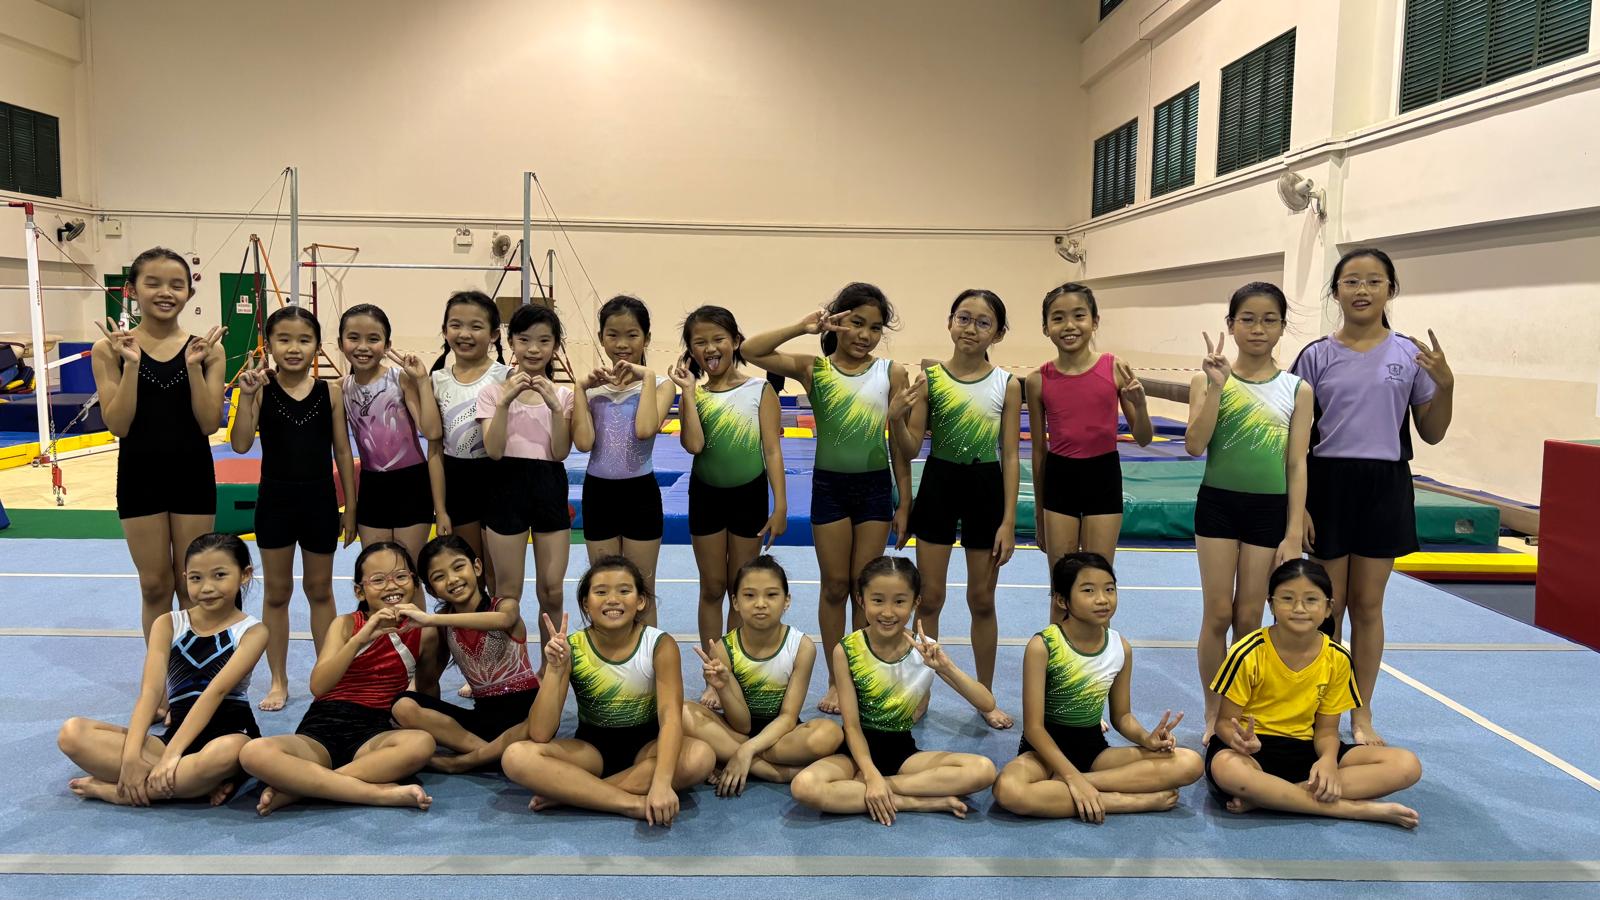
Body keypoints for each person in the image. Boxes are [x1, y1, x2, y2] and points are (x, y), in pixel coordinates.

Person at [1291, 248, 1453, 746]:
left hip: (1385, 484)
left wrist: (1446, 385)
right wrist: (1300, 506)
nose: (1362, 290)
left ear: (1390, 290)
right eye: (1351, 281)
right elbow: (1294, 439)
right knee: (1328, 606)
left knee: (1367, 606)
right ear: (1335, 292)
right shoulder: (1315, 356)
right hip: (1329, 484)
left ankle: (1360, 713)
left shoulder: (1410, 355)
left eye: (1374, 281)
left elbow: (1432, 432)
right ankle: (1319, 712)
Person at [742, 284, 914, 714]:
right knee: (835, 586)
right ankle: (839, 679)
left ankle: (861, 674)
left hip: (874, 488)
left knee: (863, 588)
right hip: (830, 488)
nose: (865, 335)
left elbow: (900, 448)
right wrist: (803, 327)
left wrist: (905, 501)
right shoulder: (813, 369)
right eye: (856, 323)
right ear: (837, 322)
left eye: (875, 328)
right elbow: (750, 350)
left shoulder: (892, 373)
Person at [91, 248, 227, 689]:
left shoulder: (208, 350)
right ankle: (161, 681)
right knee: (153, 585)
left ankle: (192, 678)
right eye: (153, 283)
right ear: (132, 290)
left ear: (189, 292)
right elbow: (118, 424)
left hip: (192, 474)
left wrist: (194, 368)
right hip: (140, 476)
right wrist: (131, 365)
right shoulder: (109, 350)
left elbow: (209, 423)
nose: (165, 292)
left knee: (192, 585)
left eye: (176, 284)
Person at [1186, 282, 1312, 742]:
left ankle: (1238, 711)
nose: (1258, 329)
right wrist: (1218, 388)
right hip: (1218, 505)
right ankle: (1212, 710)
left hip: (1267, 511)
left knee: (1249, 617)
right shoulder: (1206, 380)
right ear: (1231, 325)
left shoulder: (1296, 389)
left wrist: (1293, 532)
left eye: (1269, 320)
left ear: (1281, 327)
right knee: (1218, 613)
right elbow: (1195, 445)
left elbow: (1296, 465)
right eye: (1248, 319)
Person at [890, 289, 1021, 729]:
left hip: (986, 487)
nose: (971, 328)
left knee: (981, 599)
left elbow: (1010, 455)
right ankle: (920, 688)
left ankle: (984, 695)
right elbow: (910, 448)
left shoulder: (1007, 384)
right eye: (963, 318)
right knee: (931, 597)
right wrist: (896, 417)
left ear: (997, 334)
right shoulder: (930, 380)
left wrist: (1008, 520)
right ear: (949, 322)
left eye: (983, 322)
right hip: (940, 483)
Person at [1206, 560, 1422, 827]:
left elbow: (1327, 731)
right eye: (1287, 599)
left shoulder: (1337, 658)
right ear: (1271, 604)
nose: (1299, 608)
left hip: (1308, 750)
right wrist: (1238, 740)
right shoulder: (1248, 652)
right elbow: (1224, 723)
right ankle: (1352, 809)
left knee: (1406, 764)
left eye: (1311, 600)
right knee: (1228, 770)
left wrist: (1328, 761)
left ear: (1329, 608)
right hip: (1253, 751)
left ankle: (1269, 797)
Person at [501, 556, 716, 825]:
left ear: (641, 601)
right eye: (601, 592)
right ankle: (631, 803)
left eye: (624, 591)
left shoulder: (660, 645)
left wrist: (662, 782)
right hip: (591, 751)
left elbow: (671, 718)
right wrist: (555, 670)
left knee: (701, 756)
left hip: (648, 749)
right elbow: (540, 733)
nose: (613, 599)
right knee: (516, 757)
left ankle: (578, 793)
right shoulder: (572, 647)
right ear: (585, 603)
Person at [57, 533, 266, 806]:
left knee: (230, 751)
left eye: (219, 575)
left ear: (244, 575)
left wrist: (170, 757)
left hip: (228, 736)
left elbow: (214, 693)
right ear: (185, 578)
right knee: (72, 733)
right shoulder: (168, 624)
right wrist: (131, 757)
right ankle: (192, 785)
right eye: (196, 578)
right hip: (174, 736)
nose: (207, 587)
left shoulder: (252, 631)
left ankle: (118, 793)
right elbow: (150, 692)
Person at [992, 552, 1202, 821]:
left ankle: (1075, 786)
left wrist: (1146, 739)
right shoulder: (1043, 646)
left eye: (1109, 589)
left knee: (1190, 763)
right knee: (1008, 790)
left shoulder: (1120, 647)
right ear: (1062, 600)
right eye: (1088, 590)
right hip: (1043, 754)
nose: (1102, 599)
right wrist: (1070, 774)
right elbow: (1034, 728)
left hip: (1094, 752)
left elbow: (1122, 716)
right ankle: (1121, 801)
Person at [789, 557, 998, 825]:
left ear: (915, 602)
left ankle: (872, 790)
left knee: (983, 770)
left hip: (902, 753)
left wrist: (946, 668)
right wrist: (869, 772)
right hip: (854, 753)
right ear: (861, 600)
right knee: (804, 786)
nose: (888, 612)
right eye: (878, 600)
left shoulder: (925, 649)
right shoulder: (847, 650)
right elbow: (851, 726)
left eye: (899, 601)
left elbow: (987, 703)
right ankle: (915, 802)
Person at [238, 542, 439, 815]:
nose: (391, 586)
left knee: (422, 743)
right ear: (359, 590)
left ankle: (299, 789)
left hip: (374, 733)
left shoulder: (425, 632)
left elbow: (427, 689)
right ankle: (377, 793)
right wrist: (359, 639)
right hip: (323, 726)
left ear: (414, 582)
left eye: (401, 576)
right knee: (253, 752)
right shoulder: (345, 624)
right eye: (378, 580)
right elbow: (319, 686)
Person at [230, 305, 357, 711]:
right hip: (276, 502)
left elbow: (342, 452)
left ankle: (327, 675)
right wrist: (246, 396)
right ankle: (278, 680)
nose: (294, 348)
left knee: (320, 590)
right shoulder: (261, 389)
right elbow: (240, 444)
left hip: (320, 500)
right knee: (277, 593)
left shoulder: (330, 392)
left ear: (317, 346)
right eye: (284, 339)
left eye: (304, 340)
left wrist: (351, 506)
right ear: (269, 345)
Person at [672, 305, 786, 709]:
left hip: (748, 495)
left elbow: (772, 450)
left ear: (736, 342)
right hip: (706, 495)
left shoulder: (760, 390)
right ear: (690, 351)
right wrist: (687, 394)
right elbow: (694, 445)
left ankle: (732, 672)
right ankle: (713, 672)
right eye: (699, 342)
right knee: (711, 587)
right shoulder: (695, 393)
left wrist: (780, 504)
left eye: (718, 339)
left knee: (739, 589)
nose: (710, 348)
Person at [682, 555, 844, 794]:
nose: (760, 603)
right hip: (735, 730)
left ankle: (735, 757)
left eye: (771, 595)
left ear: (786, 601)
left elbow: (788, 717)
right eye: (749, 595)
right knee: (682, 711)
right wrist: (723, 686)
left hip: (782, 735)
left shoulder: (801, 647)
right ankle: (773, 772)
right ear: (735, 602)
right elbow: (742, 724)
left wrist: (746, 750)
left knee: (829, 734)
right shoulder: (724, 649)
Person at [1025, 283, 1150, 582]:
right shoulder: (1037, 380)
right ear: (1045, 327)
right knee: (1061, 582)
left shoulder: (1115, 368)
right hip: (1059, 478)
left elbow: (1144, 438)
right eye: (1058, 318)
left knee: (1097, 579)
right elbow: (1039, 451)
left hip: (1103, 476)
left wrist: (1141, 405)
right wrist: (1039, 514)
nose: (1069, 325)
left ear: (1094, 321)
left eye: (1079, 316)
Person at [391, 535, 539, 772]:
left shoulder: (504, 606)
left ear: (477, 567)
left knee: (540, 722)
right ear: (431, 590)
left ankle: (463, 762)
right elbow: (428, 682)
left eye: (458, 567)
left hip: (525, 718)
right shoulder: (443, 626)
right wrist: (425, 722)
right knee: (403, 705)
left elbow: (504, 620)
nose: (452, 579)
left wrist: (431, 619)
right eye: (439, 577)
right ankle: (495, 756)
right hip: (483, 723)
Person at [571, 295, 676, 615]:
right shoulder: (591, 388)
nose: (621, 344)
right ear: (601, 337)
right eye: (612, 335)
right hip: (599, 493)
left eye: (632, 335)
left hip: (640, 494)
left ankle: (647, 650)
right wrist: (579, 390)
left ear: (646, 338)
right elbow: (584, 443)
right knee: (603, 591)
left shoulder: (661, 385)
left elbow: (644, 429)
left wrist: (646, 377)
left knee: (642, 591)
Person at [478, 303, 575, 646]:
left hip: (549, 486)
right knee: (507, 592)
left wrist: (556, 408)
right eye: (524, 340)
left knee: (552, 589)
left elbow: (560, 452)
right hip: (505, 486)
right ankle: (507, 668)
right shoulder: (492, 392)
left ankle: (552, 665)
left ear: (555, 346)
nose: (534, 349)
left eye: (544, 341)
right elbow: (494, 450)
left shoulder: (563, 395)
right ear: (511, 342)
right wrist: (505, 402)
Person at [340, 303, 442, 564]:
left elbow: (431, 431)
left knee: (409, 569)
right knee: (378, 569)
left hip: (412, 484)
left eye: (373, 339)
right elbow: (340, 449)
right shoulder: (341, 389)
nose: (363, 346)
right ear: (340, 343)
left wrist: (421, 381)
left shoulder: (401, 379)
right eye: (354, 338)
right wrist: (350, 507)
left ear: (387, 345)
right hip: (372, 487)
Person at [427, 290, 509, 573]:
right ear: (444, 330)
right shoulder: (437, 380)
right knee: (471, 568)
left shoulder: (506, 377)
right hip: (457, 480)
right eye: (456, 325)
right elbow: (435, 449)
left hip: (498, 477)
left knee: (497, 572)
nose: (464, 334)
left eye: (476, 326)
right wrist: (441, 509)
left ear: (494, 334)